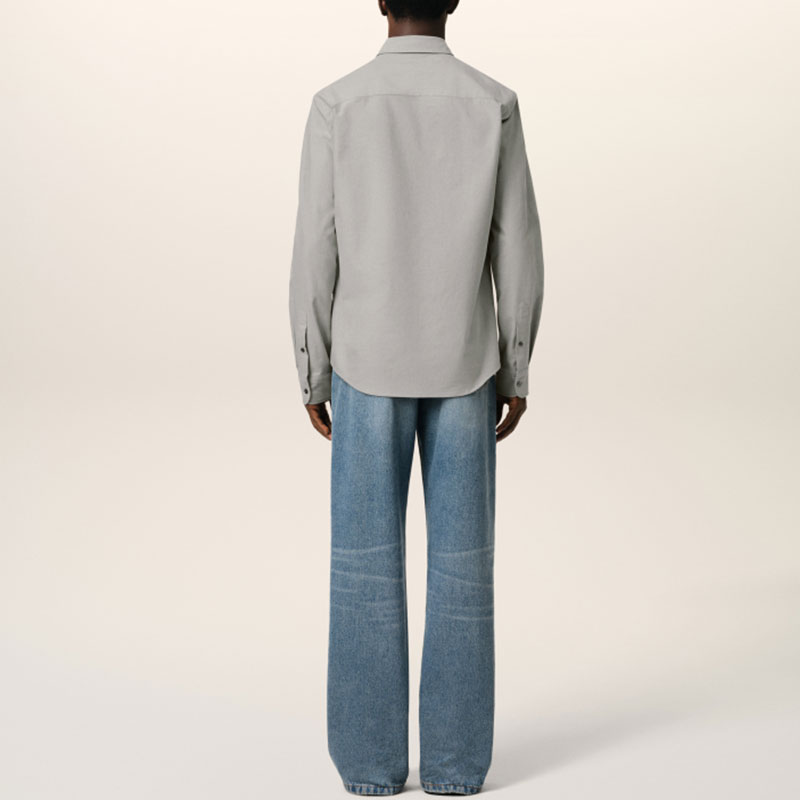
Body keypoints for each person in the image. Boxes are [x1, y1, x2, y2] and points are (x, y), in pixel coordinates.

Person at [288, 1, 544, 795]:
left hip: (365, 364)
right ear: (454, 2)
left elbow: (316, 244)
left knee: (363, 572)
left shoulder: (338, 104)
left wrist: (312, 368)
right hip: (465, 361)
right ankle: (456, 767)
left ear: (380, 2)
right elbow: (517, 244)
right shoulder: (493, 102)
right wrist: (515, 365)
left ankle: (369, 765)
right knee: (464, 573)